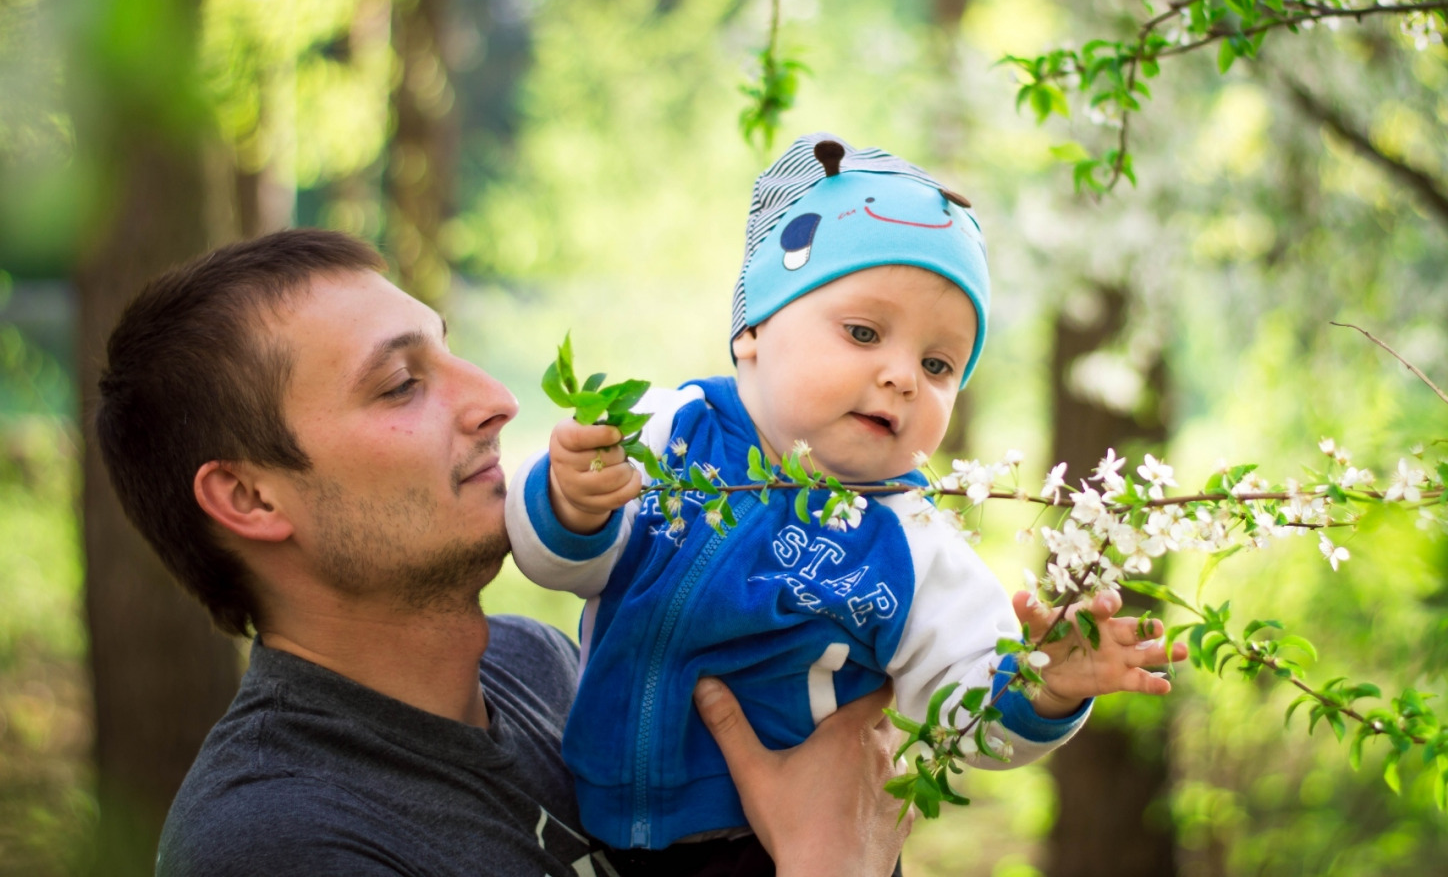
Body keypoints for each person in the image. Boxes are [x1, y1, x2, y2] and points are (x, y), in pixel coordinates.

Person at [94, 229, 913, 877]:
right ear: (251, 497)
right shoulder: (277, 838)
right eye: (399, 385)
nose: (496, 400)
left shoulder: (546, 671)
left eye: (447, 350)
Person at [508, 133, 1189, 872]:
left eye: (938, 365)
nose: (901, 376)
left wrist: (1041, 690)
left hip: (777, 847)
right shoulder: (668, 431)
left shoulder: (911, 537)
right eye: (863, 332)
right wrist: (573, 503)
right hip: (599, 822)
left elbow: (969, 715)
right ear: (752, 333)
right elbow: (555, 565)